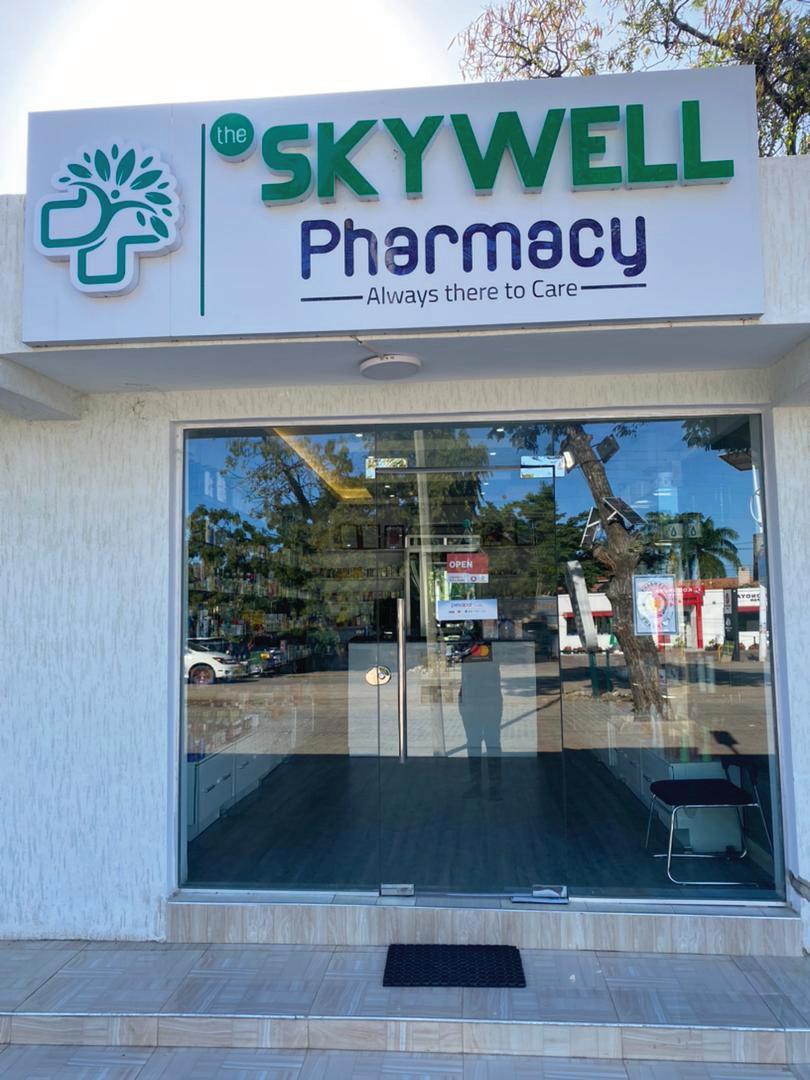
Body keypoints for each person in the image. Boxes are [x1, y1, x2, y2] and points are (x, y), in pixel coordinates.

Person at [458, 623, 504, 800]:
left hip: (488, 700)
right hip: (473, 699)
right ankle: (478, 785)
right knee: (475, 743)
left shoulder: (490, 646)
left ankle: (493, 785)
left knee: (490, 742)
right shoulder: (467, 647)